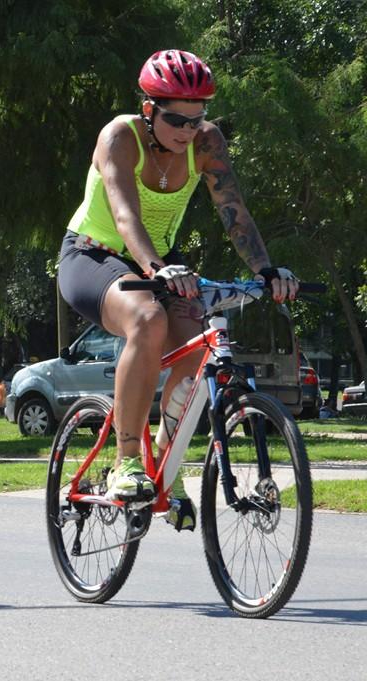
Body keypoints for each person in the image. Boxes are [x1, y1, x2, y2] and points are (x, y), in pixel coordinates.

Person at [56, 50, 299, 530]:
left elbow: (234, 209)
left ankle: (163, 466)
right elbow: (125, 215)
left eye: (197, 118)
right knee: (148, 319)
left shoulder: (206, 143)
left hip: (158, 265)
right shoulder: (120, 137)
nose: (188, 130)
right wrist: (156, 267)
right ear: (148, 108)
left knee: (196, 345)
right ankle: (127, 462)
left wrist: (268, 270)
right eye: (176, 119)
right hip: (91, 255)